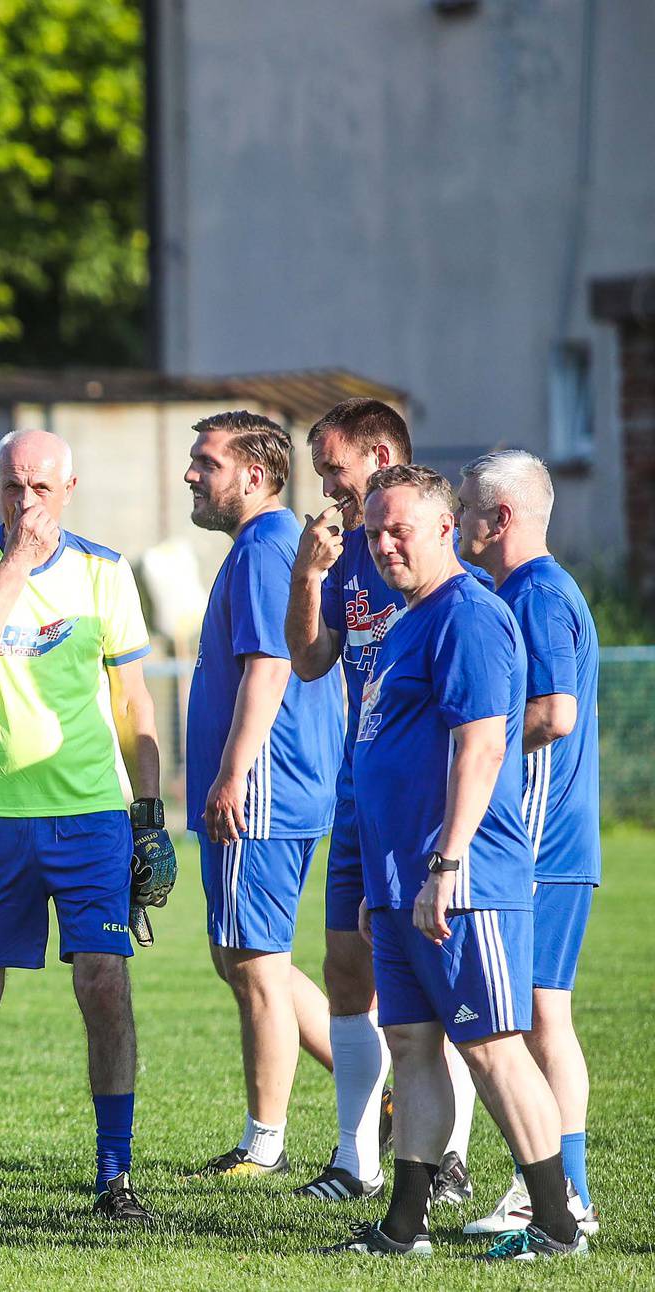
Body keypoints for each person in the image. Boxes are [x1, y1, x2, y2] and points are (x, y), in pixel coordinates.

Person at [321, 464, 585, 1260]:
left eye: (400, 528)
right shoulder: (406, 621)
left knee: (492, 1046)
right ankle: (404, 1228)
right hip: (401, 881)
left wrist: (447, 861)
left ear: (445, 528)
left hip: (463, 881)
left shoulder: (467, 614)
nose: (385, 543)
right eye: (374, 532)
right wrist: (379, 882)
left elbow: (482, 743)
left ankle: (556, 1224)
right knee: (411, 1045)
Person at [0, 429, 172, 1222]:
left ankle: (114, 1174)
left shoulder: (104, 569)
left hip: (88, 814)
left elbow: (134, 704)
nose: (25, 501)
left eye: (39, 487)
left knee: (104, 984)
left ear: (69, 489)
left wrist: (149, 816)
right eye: (11, 486)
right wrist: (18, 564)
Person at [284, 398, 484, 1202]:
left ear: (377, 455)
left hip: (424, 805)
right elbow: (309, 662)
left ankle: (452, 1159)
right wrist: (307, 575)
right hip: (357, 795)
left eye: (334, 466)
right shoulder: (347, 556)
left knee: (441, 981)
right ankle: (352, 1157)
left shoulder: (430, 557)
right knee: (345, 969)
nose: (327, 485)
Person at [184, 412, 344, 1179]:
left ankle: (266, 1144)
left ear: (253, 476)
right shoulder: (269, 545)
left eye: (204, 463)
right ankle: (369, 1085)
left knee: (252, 962)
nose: (190, 474)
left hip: (266, 790)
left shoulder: (263, 547)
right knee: (248, 957)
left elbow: (271, 665)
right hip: (275, 786)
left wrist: (232, 770)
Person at [455, 451, 602, 1239]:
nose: (458, 519)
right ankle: (557, 1188)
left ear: (500, 519)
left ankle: (558, 1193)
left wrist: (477, 751)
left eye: (468, 507)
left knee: (538, 1019)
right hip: (547, 844)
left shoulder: (537, 594)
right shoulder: (521, 590)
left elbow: (556, 712)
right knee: (540, 1017)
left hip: (540, 843)